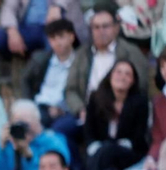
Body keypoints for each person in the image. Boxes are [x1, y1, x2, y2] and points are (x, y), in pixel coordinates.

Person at [60, 8, 148, 137]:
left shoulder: (131, 52)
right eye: (96, 27)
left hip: (119, 112)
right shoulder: (82, 54)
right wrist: (80, 110)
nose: (101, 31)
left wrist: (121, 108)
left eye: (105, 26)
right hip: (86, 111)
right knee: (60, 130)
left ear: (116, 28)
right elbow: (70, 89)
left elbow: (140, 86)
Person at [0, 0, 88, 73]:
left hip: (55, 28)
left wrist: (57, 6)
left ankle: (48, 91)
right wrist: (11, 30)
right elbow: (8, 8)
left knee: (54, 43)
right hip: (27, 29)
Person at [83, 59, 149, 170]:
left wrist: (119, 146)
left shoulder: (140, 102)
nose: (122, 77)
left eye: (127, 74)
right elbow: (88, 128)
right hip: (101, 152)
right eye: (118, 72)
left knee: (107, 149)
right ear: (110, 76)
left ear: (133, 81)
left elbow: (139, 134)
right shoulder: (95, 98)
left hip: (128, 152)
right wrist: (94, 145)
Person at [21, 17, 80, 130]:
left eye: (61, 37)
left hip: (67, 110)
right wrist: (29, 104)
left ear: (71, 37)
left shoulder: (81, 61)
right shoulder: (40, 59)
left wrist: (64, 108)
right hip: (40, 106)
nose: (57, 42)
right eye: (53, 38)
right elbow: (25, 80)